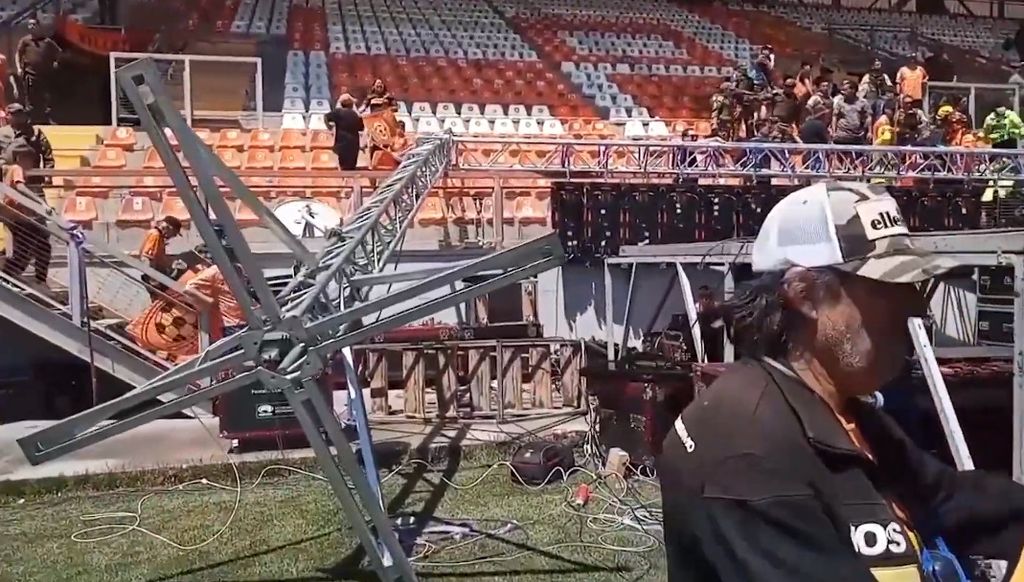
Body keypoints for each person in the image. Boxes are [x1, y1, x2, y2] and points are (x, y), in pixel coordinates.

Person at [658, 181, 1024, 582]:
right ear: (806, 296)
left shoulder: (845, 414)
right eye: (887, 286)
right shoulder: (746, 451)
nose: (916, 305)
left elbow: (953, 497)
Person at [0, 138, 50, 285]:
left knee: (29, 247)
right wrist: (41, 203)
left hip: (13, 216)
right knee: (38, 243)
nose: (31, 162)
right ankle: (12, 277)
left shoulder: (7, 169)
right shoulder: (16, 169)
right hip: (17, 217)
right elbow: (20, 187)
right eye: (29, 158)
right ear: (20, 157)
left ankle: (11, 277)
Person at [15, 19, 61, 124]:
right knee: (30, 97)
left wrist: (56, 62)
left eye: (34, 24)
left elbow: (58, 52)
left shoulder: (47, 41)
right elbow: (18, 54)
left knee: (45, 96)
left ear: (39, 26)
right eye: (29, 24)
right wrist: (18, 68)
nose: (31, 26)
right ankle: (30, 119)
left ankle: (47, 118)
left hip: (44, 74)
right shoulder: (25, 41)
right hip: (29, 73)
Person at [0, 103, 53, 180]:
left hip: (32, 178)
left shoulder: (35, 132)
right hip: (7, 179)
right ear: (8, 116)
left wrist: (48, 175)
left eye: (20, 114)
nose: (18, 117)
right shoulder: (1, 133)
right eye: (15, 114)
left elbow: (48, 156)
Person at [138, 215, 184, 298]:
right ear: (169, 228)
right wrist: (153, 280)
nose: (174, 236)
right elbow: (147, 258)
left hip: (156, 276)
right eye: (175, 233)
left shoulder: (159, 236)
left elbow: (158, 257)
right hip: (153, 278)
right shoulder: (155, 235)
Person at [324, 93, 364, 171]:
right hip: (354, 144)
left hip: (341, 143)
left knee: (343, 167)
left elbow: (326, 117)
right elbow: (361, 128)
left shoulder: (338, 112)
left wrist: (329, 127)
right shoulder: (356, 115)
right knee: (352, 168)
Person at [831, 80, 871, 145]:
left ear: (853, 90)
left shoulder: (863, 102)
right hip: (842, 134)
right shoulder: (840, 103)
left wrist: (869, 132)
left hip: (857, 135)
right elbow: (834, 117)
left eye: (845, 90)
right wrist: (833, 132)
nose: (842, 92)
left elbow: (868, 117)